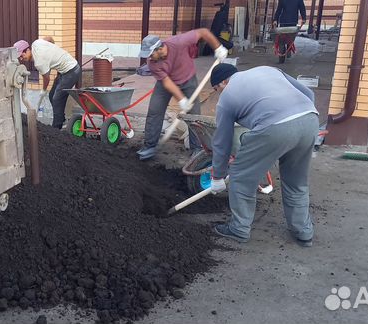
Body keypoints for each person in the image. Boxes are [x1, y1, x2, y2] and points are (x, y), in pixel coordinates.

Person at [208, 64, 318, 247]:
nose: (218, 93)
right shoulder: (268, 70)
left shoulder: (227, 97)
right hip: (310, 119)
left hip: (275, 128)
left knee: (242, 177)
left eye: (216, 88)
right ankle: (303, 232)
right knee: (296, 181)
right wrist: (301, 117)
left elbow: (222, 141)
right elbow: (308, 93)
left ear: (223, 82)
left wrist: (217, 176)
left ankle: (239, 228)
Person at [136, 30, 228, 160]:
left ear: (159, 48)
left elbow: (203, 32)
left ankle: (196, 148)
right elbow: (167, 83)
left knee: (194, 115)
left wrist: (218, 48)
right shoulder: (152, 63)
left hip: (188, 79)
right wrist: (182, 100)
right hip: (165, 82)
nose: (149, 58)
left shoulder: (179, 42)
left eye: (151, 54)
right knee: (154, 111)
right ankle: (149, 146)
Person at [14, 39, 81, 129]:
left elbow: (47, 78)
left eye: (22, 55)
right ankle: (61, 119)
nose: (21, 59)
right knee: (51, 95)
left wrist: (43, 90)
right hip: (63, 71)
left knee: (57, 99)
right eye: (20, 57)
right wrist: (52, 49)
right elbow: (49, 39)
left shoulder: (39, 62)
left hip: (71, 72)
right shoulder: (37, 43)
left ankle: (57, 128)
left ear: (27, 50)